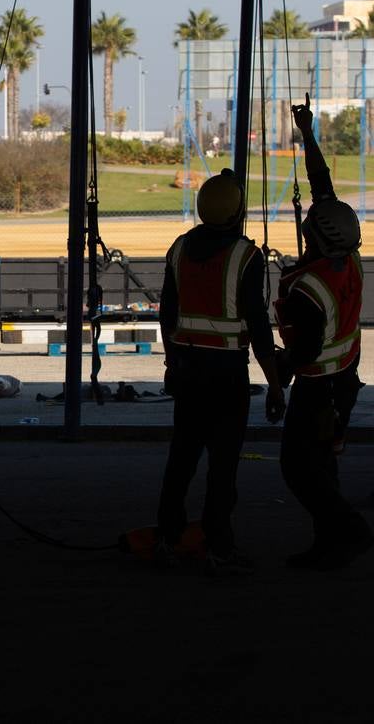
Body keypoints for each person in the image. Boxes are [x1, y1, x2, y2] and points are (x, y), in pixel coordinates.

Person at [157, 168, 286, 575]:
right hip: (226, 374)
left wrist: (171, 361)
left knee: (181, 458)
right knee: (222, 467)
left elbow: (167, 313)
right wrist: (276, 384)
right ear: (237, 211)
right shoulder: (245, 255)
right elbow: (259, 324)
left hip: (188, 368)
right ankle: (219, 545)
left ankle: (168, 537)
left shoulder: (179, 248)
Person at [275, 93, 373, 570]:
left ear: (315, 237)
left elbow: (306, 348)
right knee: (324, 464)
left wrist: (278, 373)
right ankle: (328, 545)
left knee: (298, 468)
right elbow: (323, 186)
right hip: (346, 380)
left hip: (318, 388)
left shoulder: (307, 287)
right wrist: (308, 134)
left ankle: (350, 532)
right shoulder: (348, 260)